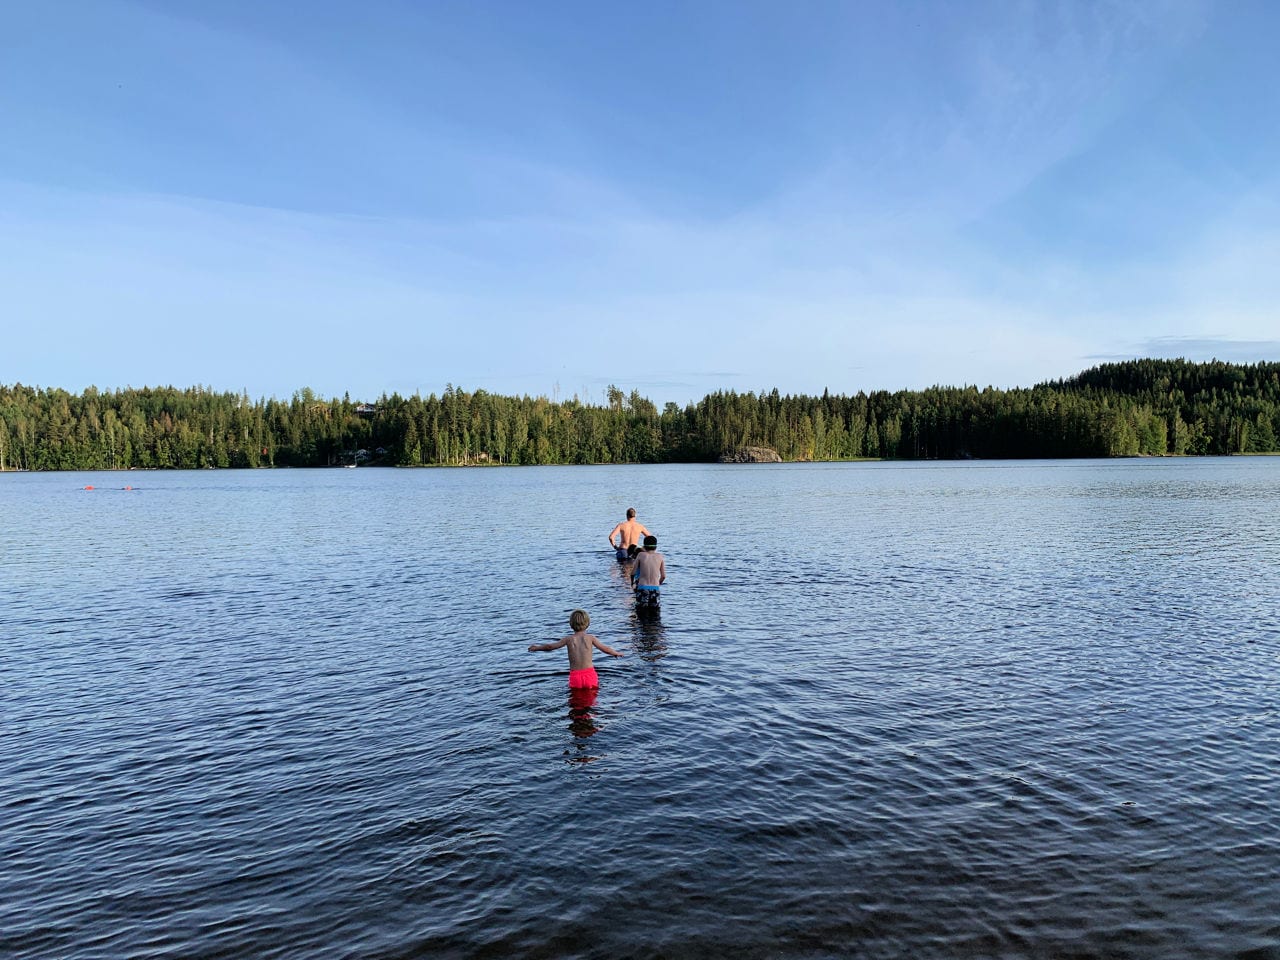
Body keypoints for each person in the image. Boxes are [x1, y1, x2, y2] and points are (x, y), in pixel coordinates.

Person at [528, 609, 623, 688]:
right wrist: (615, 653)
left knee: (575, 703)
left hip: (575, 676)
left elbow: (550, 647)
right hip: (590, 675)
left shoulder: (568, 639)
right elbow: (605, 648)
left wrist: (536, 648)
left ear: (571, 624)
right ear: (587, 623)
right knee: (591, 701)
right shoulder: (590, 638)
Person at [631, 534, 666, 611]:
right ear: (656, 546)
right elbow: (663, 576)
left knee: (641, 612)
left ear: (644, 546)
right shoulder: (660, 556)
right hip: (655, 588)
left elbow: (633, 572)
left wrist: (632, 583)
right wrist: (658, 583)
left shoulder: (640, 555)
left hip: (642, 588)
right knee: (655, 613)